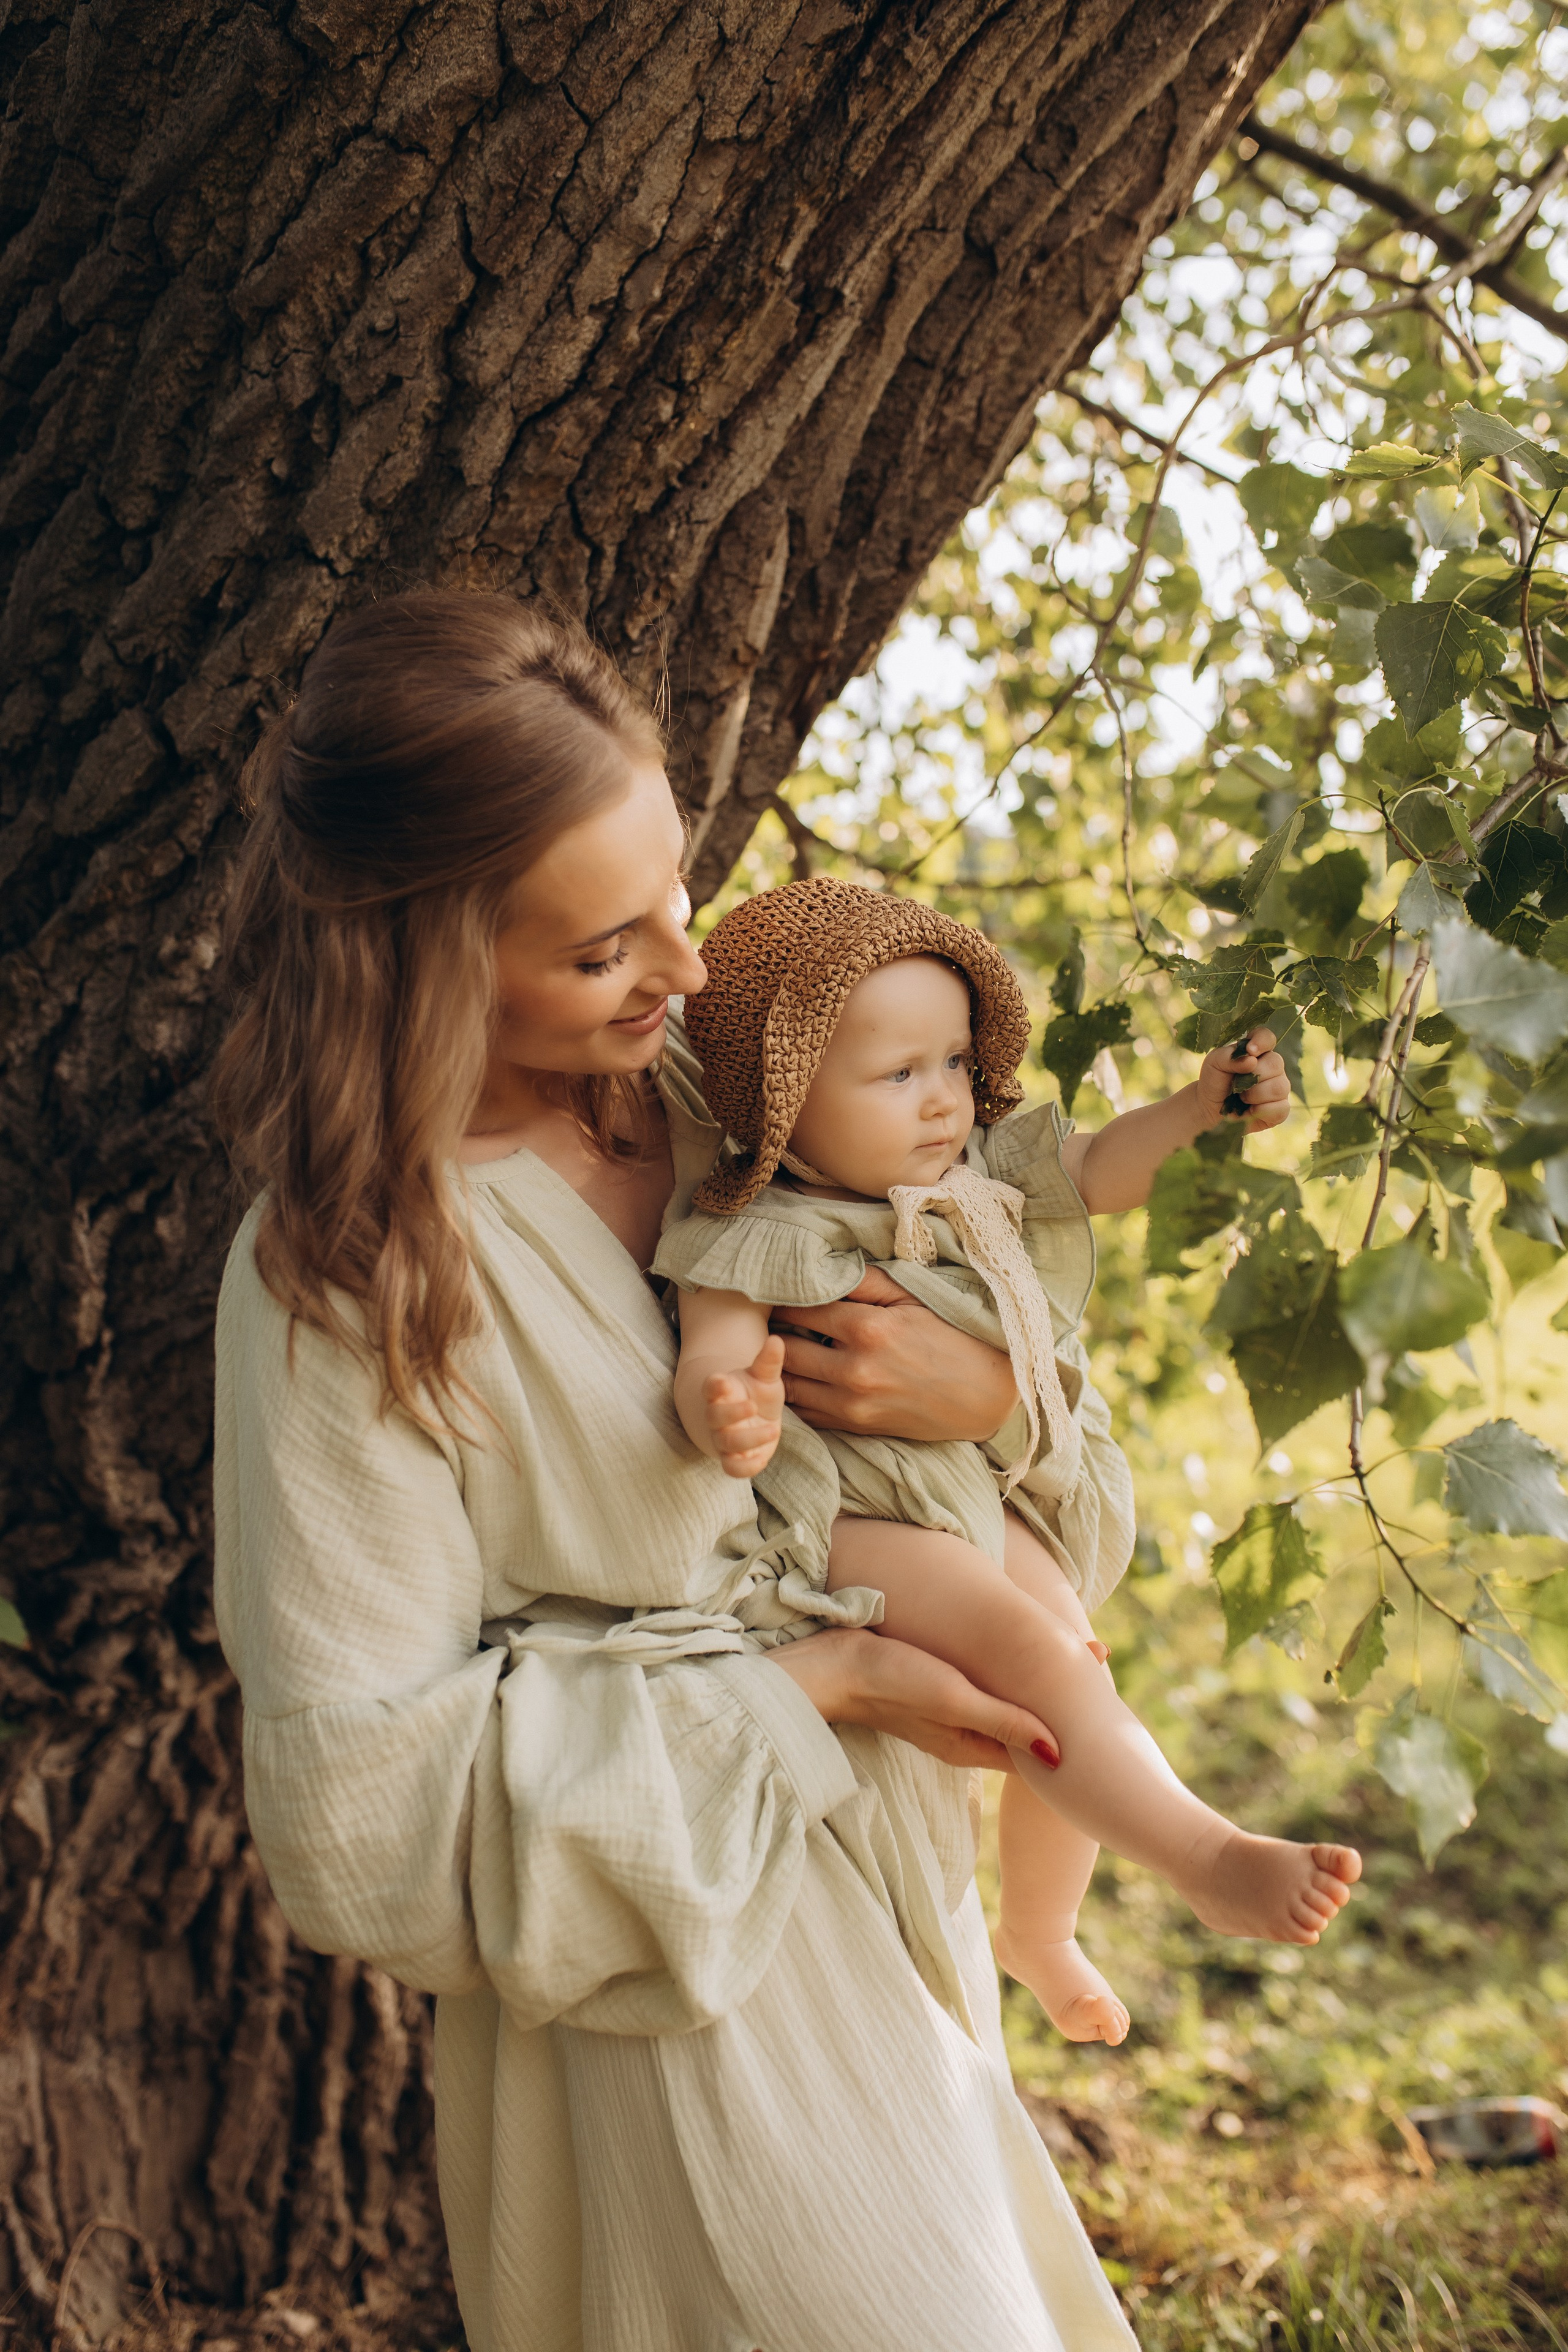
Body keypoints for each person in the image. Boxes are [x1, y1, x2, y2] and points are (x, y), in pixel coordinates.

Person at [211, 589, 1145, 2352]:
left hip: (900, 1891)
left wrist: (988, 1399)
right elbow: (353, 1828)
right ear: (424, 957)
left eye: (677, 900)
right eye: (601, 949)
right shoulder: (346, 1275)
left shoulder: (744, 1100)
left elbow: (1051, 1519)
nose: (689, 972)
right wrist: (806, 1692)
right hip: (677, 1985)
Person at [654, 880, 1361, 2051]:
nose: (943, 1098)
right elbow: (713, 1355)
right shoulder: (752, 1227)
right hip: (856, 1520)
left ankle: (1041, 1932)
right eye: (898, 1074)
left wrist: (1198, 1111)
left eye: (953, 1061)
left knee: (1074, 1660)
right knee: (1037, 1658)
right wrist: (730, 1407)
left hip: (973, 1490)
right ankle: (1204, 1855)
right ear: (784, 1098)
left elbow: (1105, 1165)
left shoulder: (979, 1172)